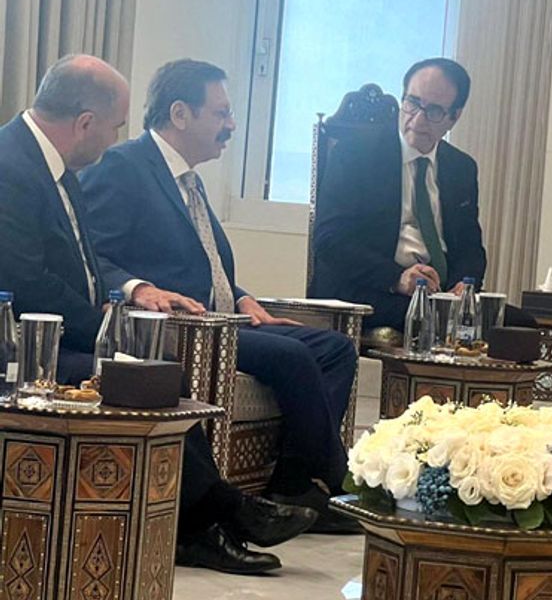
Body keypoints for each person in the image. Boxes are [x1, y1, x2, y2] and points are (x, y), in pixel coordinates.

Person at [0, 55, 315, 575]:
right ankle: (218, 518)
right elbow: (27, 281)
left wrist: (112, 312)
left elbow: (84, 265)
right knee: (144, 380)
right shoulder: (11, 167)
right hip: (22, 345)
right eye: (115, 126)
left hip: (59, 334)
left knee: (157, 376)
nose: (115, 140)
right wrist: (110, 326)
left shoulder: (57, 168)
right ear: (85, 123)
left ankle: (206, 523)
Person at [80, 59, 359, 534]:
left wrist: (243, 298)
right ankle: (333, 478)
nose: (231, 125)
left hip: (226, 319)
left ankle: (292, 481)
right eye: (221, 113)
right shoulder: (123, 167)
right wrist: (139, 288)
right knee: (293, 357)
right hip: (186, 329)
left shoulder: (188, 179)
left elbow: (204, 264)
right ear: (180, 114)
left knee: (334, 349)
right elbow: (90, 254)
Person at [310, 58, 488, 329]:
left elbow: (470, 247)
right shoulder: (354, 153)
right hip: (370, 289)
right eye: (413, 103)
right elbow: (329, 239)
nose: (418, 119)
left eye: (434, 111)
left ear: (455, 116)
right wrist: (397, 278)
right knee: (433, 322)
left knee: (514, 323)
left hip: (439, 295)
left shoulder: (461, 167)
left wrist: (464, 284)